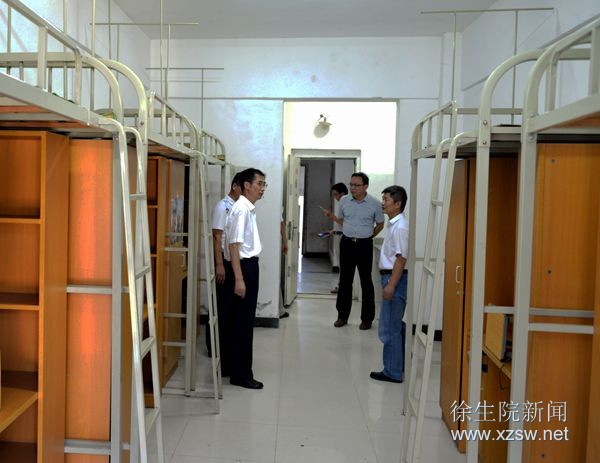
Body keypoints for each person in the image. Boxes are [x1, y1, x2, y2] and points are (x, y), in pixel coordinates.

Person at [324, 172, 384, 330]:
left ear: (365, 186)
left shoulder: (375, 203)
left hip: (364, 244)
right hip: (347, 243)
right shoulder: (344, 201)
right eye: (351, 184)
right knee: (345, 280)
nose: (352, 188)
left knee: (366, 281)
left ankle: (367, 319)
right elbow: (342, 219)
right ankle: (342, 316)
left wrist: (369, 235)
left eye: (356, 185)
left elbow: (380, 223)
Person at [226, 167, 267, 389]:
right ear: (246, 185)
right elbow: (234, 245)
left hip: (248, 266)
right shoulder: (241, 209)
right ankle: (241, 375)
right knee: (242, 321)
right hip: (244, 268)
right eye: (259, 183)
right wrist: (240, 279)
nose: (262, 188)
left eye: (264, 184)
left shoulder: (246, 208)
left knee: (242, 320)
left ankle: (237, 370)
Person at [370, 185, 408, 383]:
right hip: (391, 277)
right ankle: (398, 366)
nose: (382, 203)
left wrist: (391, 285)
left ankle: (393, 371)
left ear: (397, 203)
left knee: (389, 327)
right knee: (396, 325)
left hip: (394, 278)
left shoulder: (400, 227)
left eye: (386, 200)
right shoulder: (394, 224)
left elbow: (401, 259)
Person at [206, 172, 242, 374]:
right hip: (224, 262)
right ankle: (214, 347)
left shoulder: (237, 206)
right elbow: (216, 237)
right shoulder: (223, 206)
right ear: (235, 186)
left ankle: (224, 346)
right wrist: (219, 264)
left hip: (231, 260)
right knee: (221, 305)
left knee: (228, 306)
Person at [328, 182, 348, 293]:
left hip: (342, 237)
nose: (335, 197)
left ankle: (342, 286)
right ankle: (341, 285)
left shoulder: (345, 202)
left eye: (336, 194)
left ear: (342, 193)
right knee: (342, 263)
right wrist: (334, 230)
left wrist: (330, 215)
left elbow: (343, 222)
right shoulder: (343, 203)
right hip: (339, 234)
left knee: (343, 263)